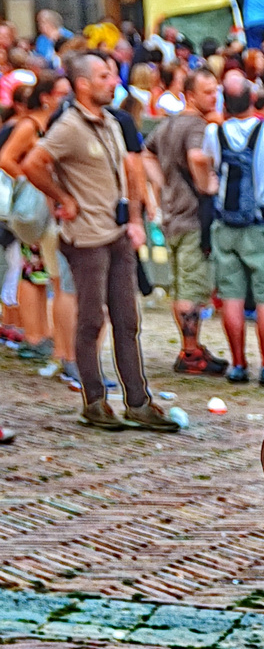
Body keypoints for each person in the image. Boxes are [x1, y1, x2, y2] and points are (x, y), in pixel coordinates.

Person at [21, 54, 178, 432]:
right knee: (91, 319)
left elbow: (131, 171)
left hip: (116, 233)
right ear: (83, 85)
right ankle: (94, 401)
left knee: (128, 319)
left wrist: (135, 218)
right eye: (104, 76)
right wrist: (62, 197)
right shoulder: (69, 126)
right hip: (86, 239)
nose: (113, 82)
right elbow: (31, 164)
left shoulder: (110, 122)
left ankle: (138, 401)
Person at [197, 73, 264, 386]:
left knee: (232, 297)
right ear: (253, 99)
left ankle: (238, 364)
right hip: (261, 222)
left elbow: (210, 165)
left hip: (226, 223)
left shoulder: (215, 131)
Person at [144, 68, 228, 377]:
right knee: (191, 287)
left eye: (215, 91)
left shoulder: (169, 124)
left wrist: (164, 184)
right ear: (190, 95)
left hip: (173, 214)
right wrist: (208, 185)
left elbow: (147, 153)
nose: (214, 97)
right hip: (193, 217)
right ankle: (191, 351)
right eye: (208, 92)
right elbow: (197, 157)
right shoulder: (196, 126)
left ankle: (189, 346)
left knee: (180, 283)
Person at [0, 73, 78, 380]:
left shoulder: (49, 124)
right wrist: (31, 181)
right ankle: (47, 341)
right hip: (37, 213)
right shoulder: (30, 124)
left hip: (45, 212)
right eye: (61, 92)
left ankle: (55, 344)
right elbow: (5, 158)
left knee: (47, 275)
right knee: (44, 275)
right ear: (46, 96)